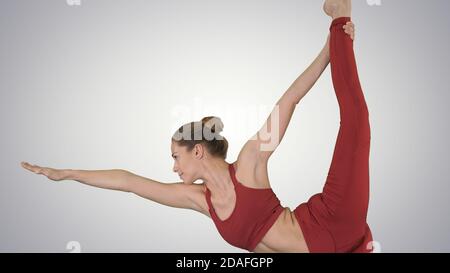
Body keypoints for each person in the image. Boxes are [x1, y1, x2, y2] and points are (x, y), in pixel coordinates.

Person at [21, 0, 371, 253]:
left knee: (355, 124)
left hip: (333, 221)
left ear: (198, 150)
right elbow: (128, 182)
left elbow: (289, 100)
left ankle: (340, 16)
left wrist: (332, 48)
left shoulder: (250, 163)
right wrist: (66, 173)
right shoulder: (199, 201)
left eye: (176, 156)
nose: (173, 166)